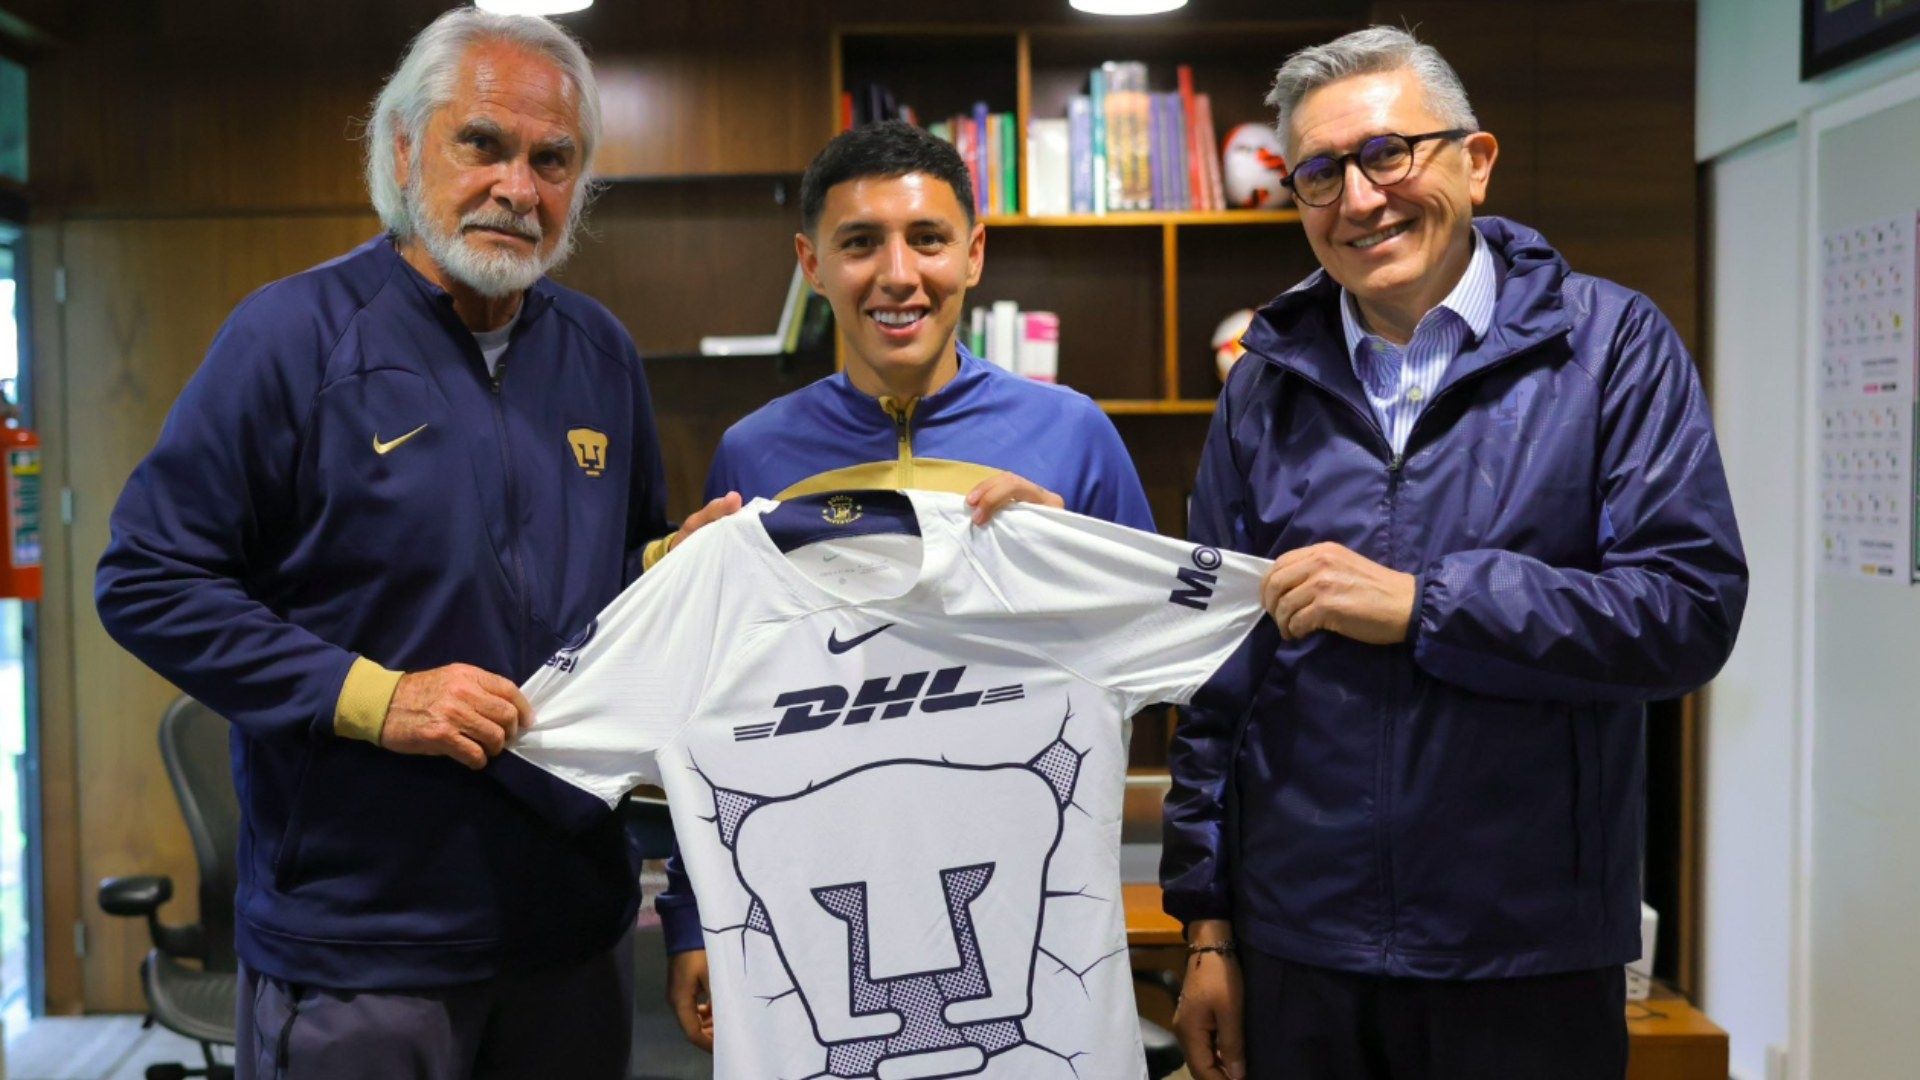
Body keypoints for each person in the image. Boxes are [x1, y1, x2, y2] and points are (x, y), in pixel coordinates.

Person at [94, 10, 733, 1077]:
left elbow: (607, 597)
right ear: (402, 150)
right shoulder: (290, 336)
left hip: (570, 935)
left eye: (552, 160)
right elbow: (148, 579)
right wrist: (378, 698)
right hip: (362, 950)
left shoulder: (600, 354)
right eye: (481, 143)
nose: (517, 189)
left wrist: (680, 573)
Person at [1161, 26, 1748, 1080]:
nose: (1359, 198)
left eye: (1390, 153)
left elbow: (1687, 611)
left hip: (1526, 957)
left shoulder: (1609, 346)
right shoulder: (1264, 381)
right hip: (1302, 953)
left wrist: (1427, 605)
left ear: (1474, 161)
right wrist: (1205, 927)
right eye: (1318, 174)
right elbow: (1213, 680)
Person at [659, 120, 1157, 1050]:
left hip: (1023, 894)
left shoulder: (1073, 436)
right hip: (819, 895)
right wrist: (695, 917)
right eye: (860, 243)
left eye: (927, 239)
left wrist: (1064, 567)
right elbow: (710, 709)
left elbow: (1165, 671)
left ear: (973, 254)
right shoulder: (753, 452)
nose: (898, 274)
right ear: (811, 262)